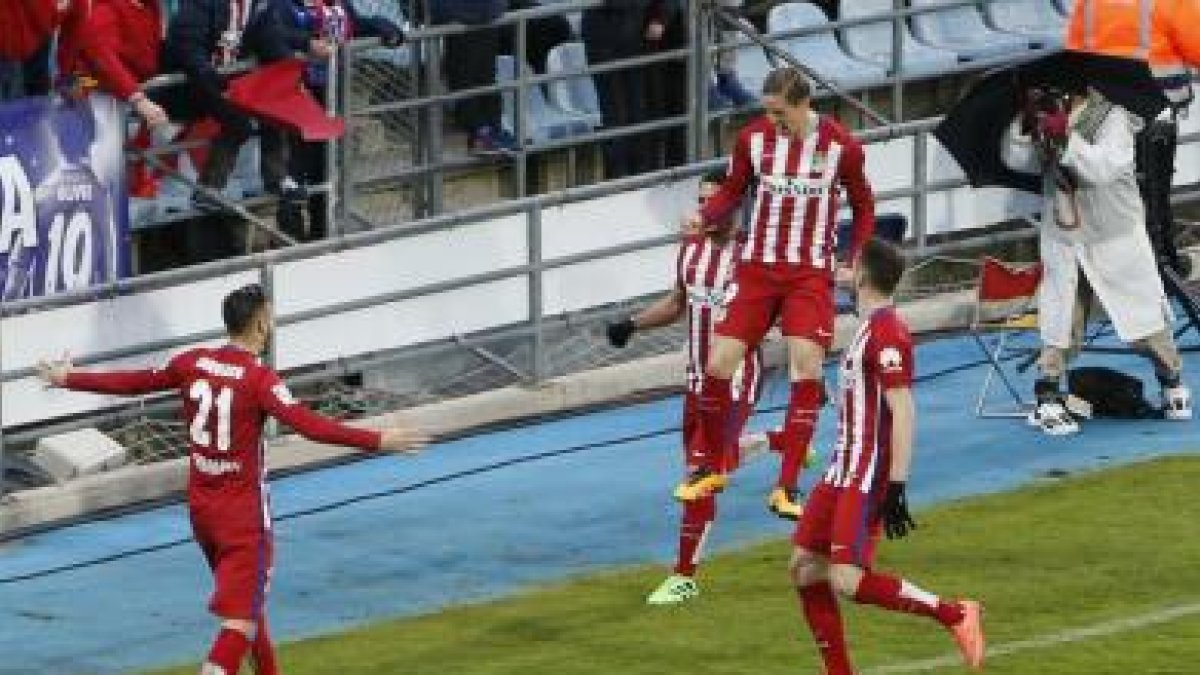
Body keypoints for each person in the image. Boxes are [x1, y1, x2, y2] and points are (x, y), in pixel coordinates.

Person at [37, 283, 428, 675]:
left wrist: (69, 378)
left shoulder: (193, 362)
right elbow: (308, 425)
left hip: (203, 513)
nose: (273, 323)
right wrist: (378, 440)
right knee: (239, 623)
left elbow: (135, 382)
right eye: (270, 316)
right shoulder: (259, 379)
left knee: (249, 609)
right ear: (260, 323)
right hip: (243, 520)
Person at [685, 66, 875, 520]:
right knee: (717, 365)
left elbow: (865, 205)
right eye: (767, 113)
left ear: (802, 104)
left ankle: (786, 487)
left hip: (808, 274)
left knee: (805, 369)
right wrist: (705, 216)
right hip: (757, 270)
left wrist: (856, 257)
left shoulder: (840, 147)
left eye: (779, 113)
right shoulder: (752, 140)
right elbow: (732, 190)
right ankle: (711, 466)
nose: (773, 122)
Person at [790, 238, 985, 675]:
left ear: (861, 274)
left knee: (847, 581)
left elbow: (904, 406)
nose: (842, 269)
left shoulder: (886, 331)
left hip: (866, 473)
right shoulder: (866, 326)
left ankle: (955, 614)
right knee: (804, 568)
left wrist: (896, 484)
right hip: (841, 469)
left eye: (849, 264)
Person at [607, 170, 785, 605]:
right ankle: (773, 440)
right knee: (706, 465)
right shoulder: (690, 249)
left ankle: (684, 576)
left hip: (737, 379)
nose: (706, 209)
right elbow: (677, 303)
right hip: (696, 378)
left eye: (714, 201)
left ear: (736, 206)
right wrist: (632, 325)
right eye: (701, 200)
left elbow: (778, 318)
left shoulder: (756, 257)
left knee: (701, 474)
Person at [1003, 85, 1191, 435]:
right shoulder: (1044, 117)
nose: (1051, 92)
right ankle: (1047, 394)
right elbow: (1018, 162)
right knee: (1061, 322)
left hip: (1113, 236)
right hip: (1065, 239)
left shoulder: (1112, 116)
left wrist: (1067, 141)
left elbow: (1104, 168)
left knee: (1144, 324)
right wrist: (1024, 127)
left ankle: (1172, 382)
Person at [163, 0, 330, 262]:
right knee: (237, 122)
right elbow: (185, 46)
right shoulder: (201, 4)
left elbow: (270, 37)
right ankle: (208, 190)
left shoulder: (258, 5)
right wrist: (210, 75)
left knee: (275, 105)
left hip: (227, 78)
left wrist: (290, 74)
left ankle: (276, 179)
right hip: (189, 82)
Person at [1066, 0, 1200, 273]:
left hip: (1104, 110)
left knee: (1126, 199)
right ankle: (1162, 268)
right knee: (1154, 195)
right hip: (1154, 104)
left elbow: (1075, 52)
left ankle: (1141, 267)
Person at [56, 0, 170, 128]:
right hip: (92, 88)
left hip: (119, 89)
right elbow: (102, 56)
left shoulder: (149, 6)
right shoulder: (106, 6)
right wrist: (138, 99)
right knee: (103, 143)